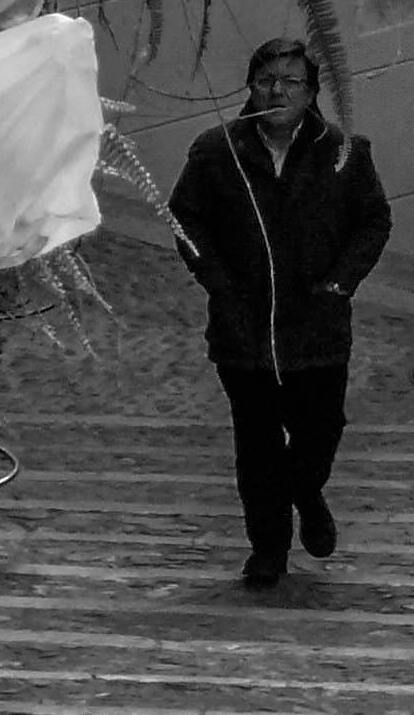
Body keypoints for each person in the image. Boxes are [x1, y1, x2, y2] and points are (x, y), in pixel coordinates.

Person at [167, 37, 392, 585]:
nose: (278, 91)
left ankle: (306, 492)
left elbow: (373, 221)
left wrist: (339, 283)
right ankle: (268, 548)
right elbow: (185, 218)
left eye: (292, 81)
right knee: (258, 443)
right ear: (251, 86)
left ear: (312, 92)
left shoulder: (344, 152)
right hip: (243, 329)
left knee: (320, 431)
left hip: (318, 326)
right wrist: (219, 284)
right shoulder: (217, 151)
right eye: (267, 80)